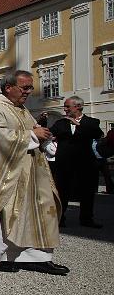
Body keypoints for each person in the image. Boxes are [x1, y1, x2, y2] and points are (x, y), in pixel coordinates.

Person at [0, 70, 69, 276]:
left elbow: (30, 133)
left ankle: (38, 257)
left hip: (32, 172)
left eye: (30, 88)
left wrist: (41, 137)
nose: (28, 92)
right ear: (8, 88)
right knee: (5, 212)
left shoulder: (21, 109)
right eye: (24, 88)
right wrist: (32, 135)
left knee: (37, 213)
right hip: (7, 173)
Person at [51, 96, 104, 228]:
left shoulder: (91, 122)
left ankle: (86, 219)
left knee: (87, 192)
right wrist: (41, 123)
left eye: (67, 106)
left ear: (78, 107)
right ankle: (60, 219)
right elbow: (50, 133)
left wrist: (78, 125)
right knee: (62, 192)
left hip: (85, 163)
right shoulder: (61, 123)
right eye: (65, 106)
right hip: (64, 164)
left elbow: (98, 134)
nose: (65, 109)